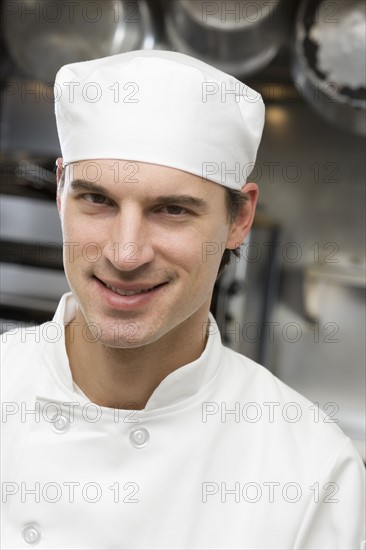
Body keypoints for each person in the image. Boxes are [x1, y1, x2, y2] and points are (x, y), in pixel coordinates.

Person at [1, 49, 365, 550]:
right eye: (98, 200)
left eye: (172, 209)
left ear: (239, 219)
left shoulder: (314, 473)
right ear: (61, 190)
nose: (126, 253)